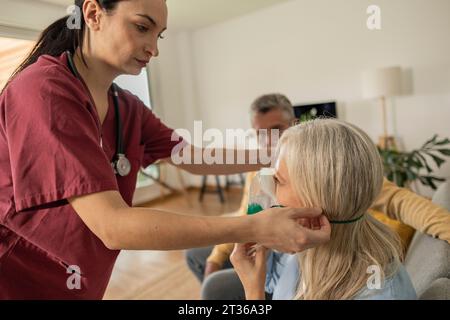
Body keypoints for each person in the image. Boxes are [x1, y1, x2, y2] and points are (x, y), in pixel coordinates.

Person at [0, 0, 331, 299]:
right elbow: (113, 226)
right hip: (17, 275)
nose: (153, 49)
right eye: (143, 27)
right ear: (93, 13)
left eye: (159, 36)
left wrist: (282, 154)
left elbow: (193, 156)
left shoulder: (125, 107)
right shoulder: (43, 91)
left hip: (78, 279)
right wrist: (254, 227)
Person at [185, 93, 450, 300]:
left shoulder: (375, 289)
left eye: (278, 181)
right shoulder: (301, 247)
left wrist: (253, 293)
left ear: (318, 190)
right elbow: (250, 223)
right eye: (260, 133)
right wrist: (225, 257)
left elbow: (404, 203)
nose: (268, 141)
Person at [231, 119, 418, 300]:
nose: (269, 187)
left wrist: (253, 293)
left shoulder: (379, 291)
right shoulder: (304, 241)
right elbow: (276, 283)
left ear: (314, 198)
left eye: (278, 180)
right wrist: (258, 247)